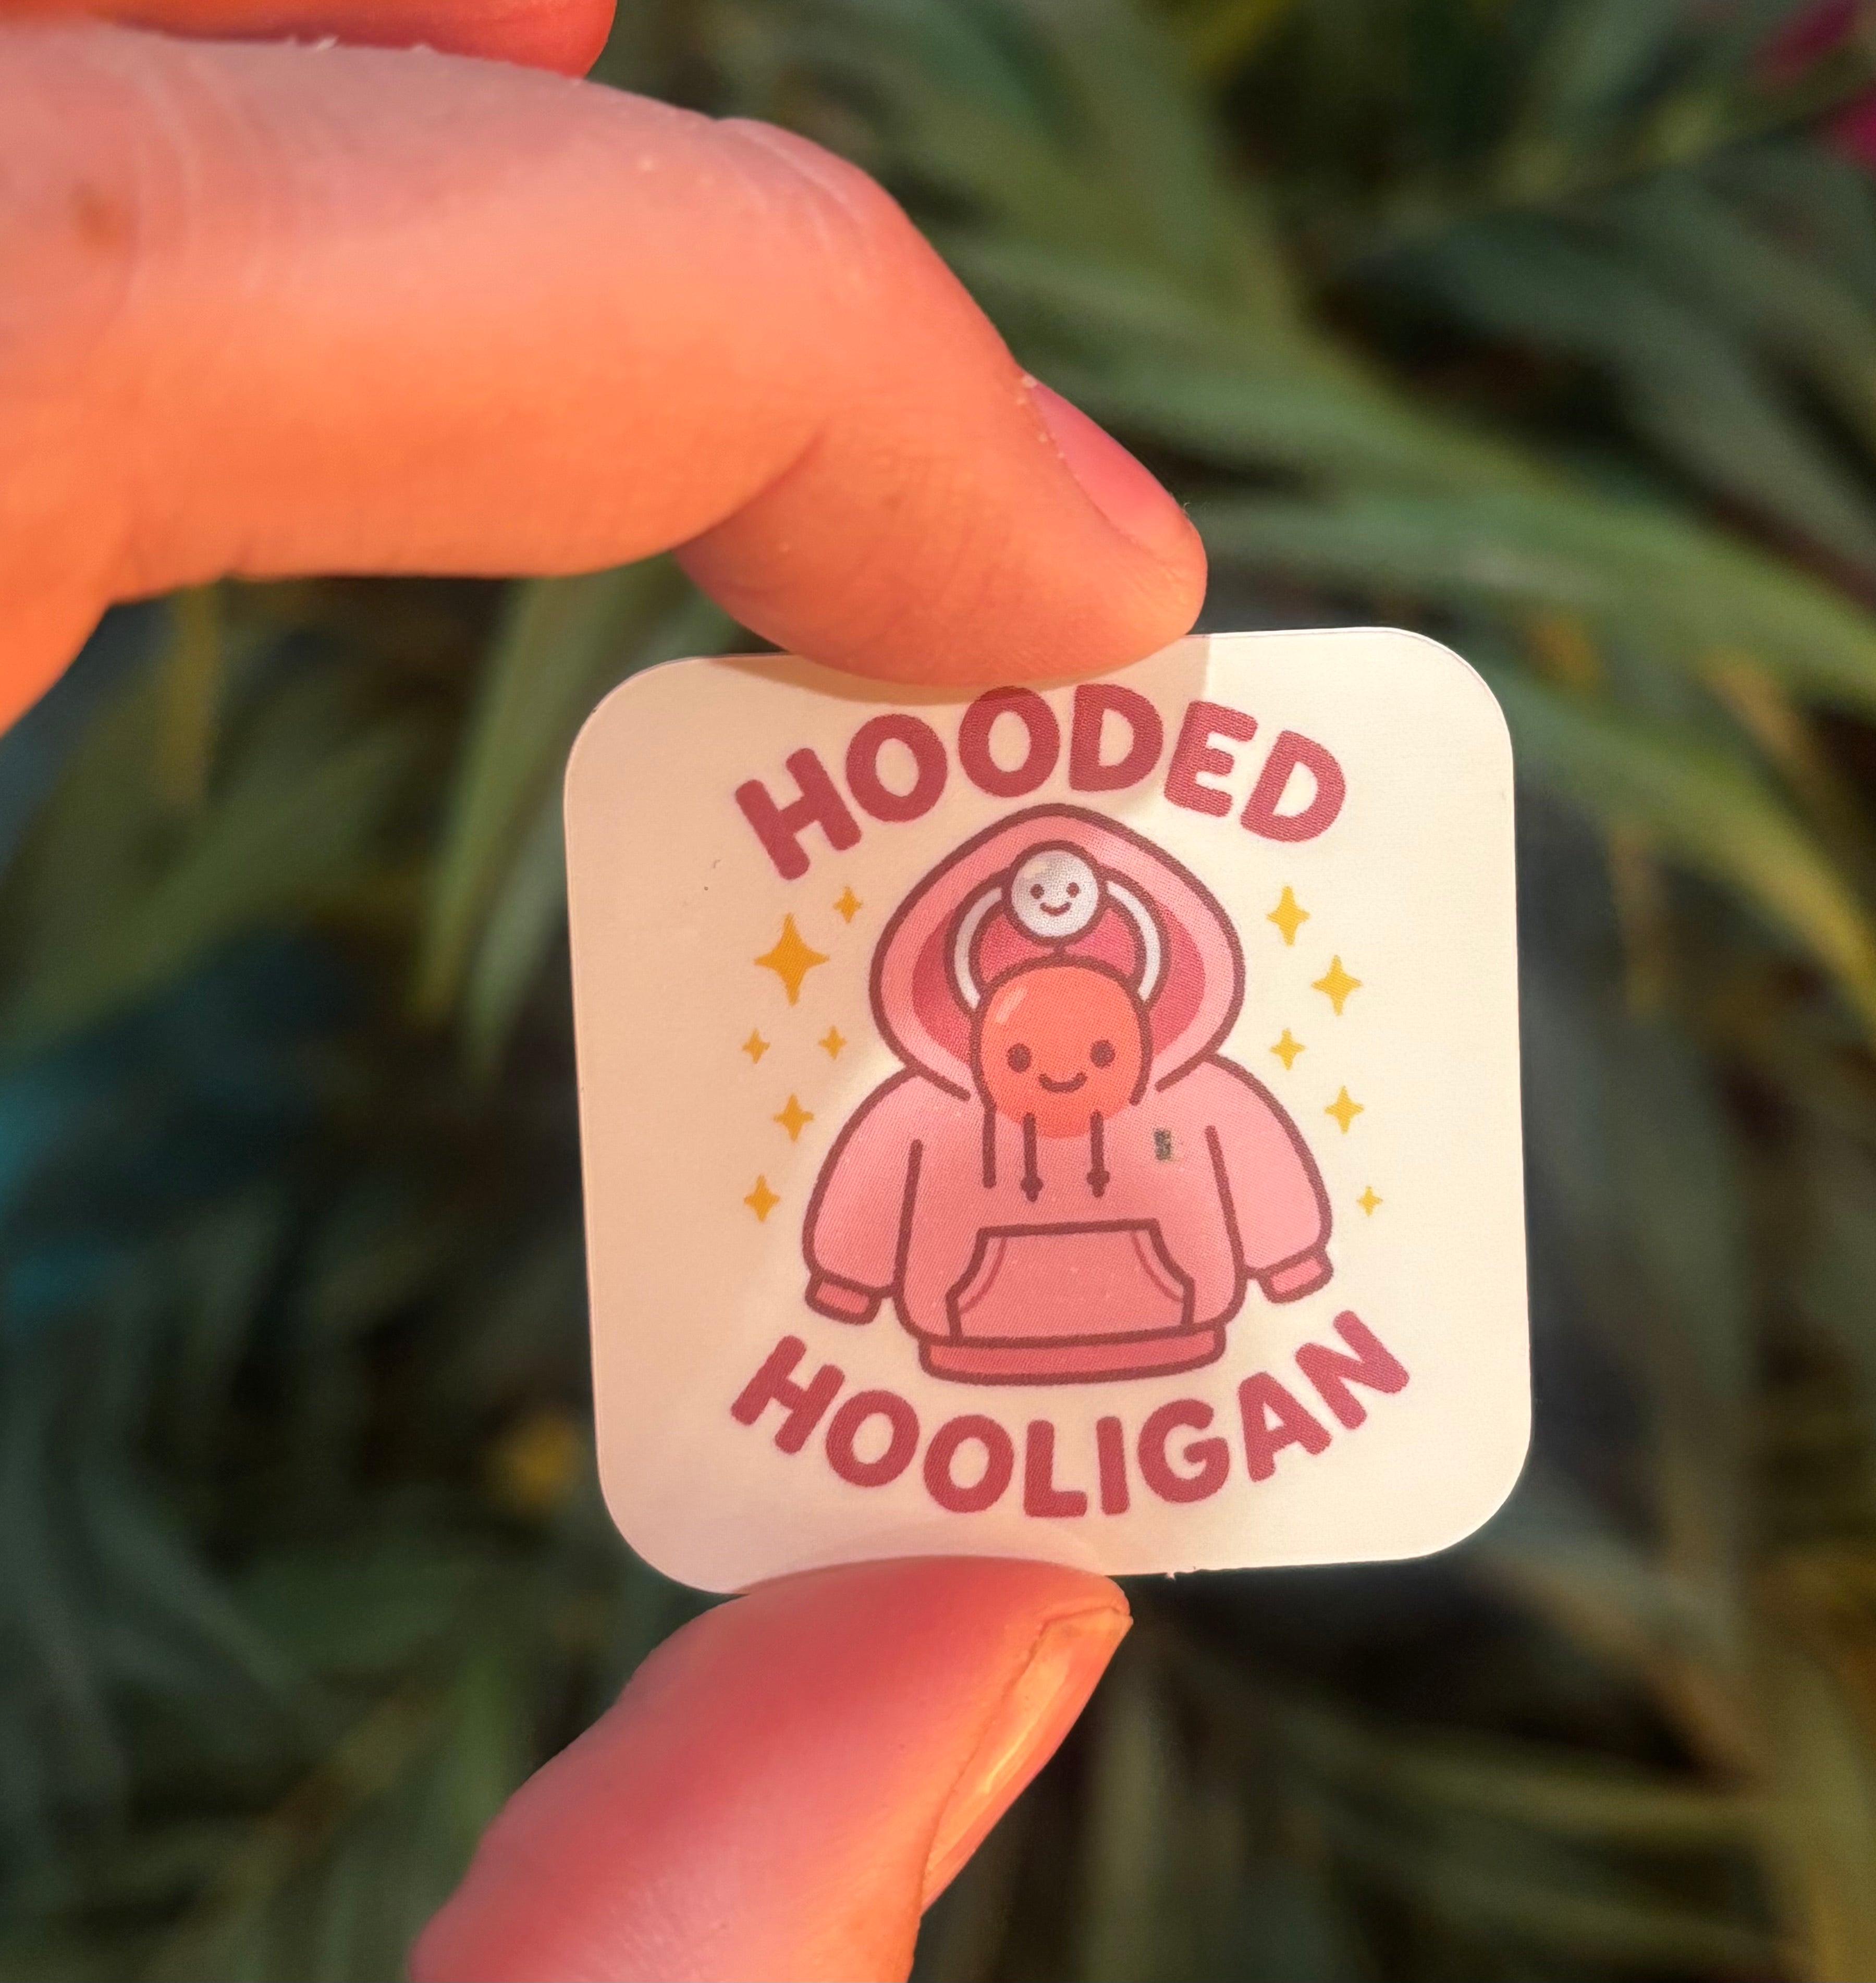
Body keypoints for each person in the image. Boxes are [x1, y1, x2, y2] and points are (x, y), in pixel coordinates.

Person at [0, 3, 1208, 1977]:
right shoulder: (922, 1119)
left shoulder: (1162, 1126)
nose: (1064, 1058)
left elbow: (1217, 1202)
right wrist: (852, 1294)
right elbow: (877, 1205)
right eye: (1033, 1026)